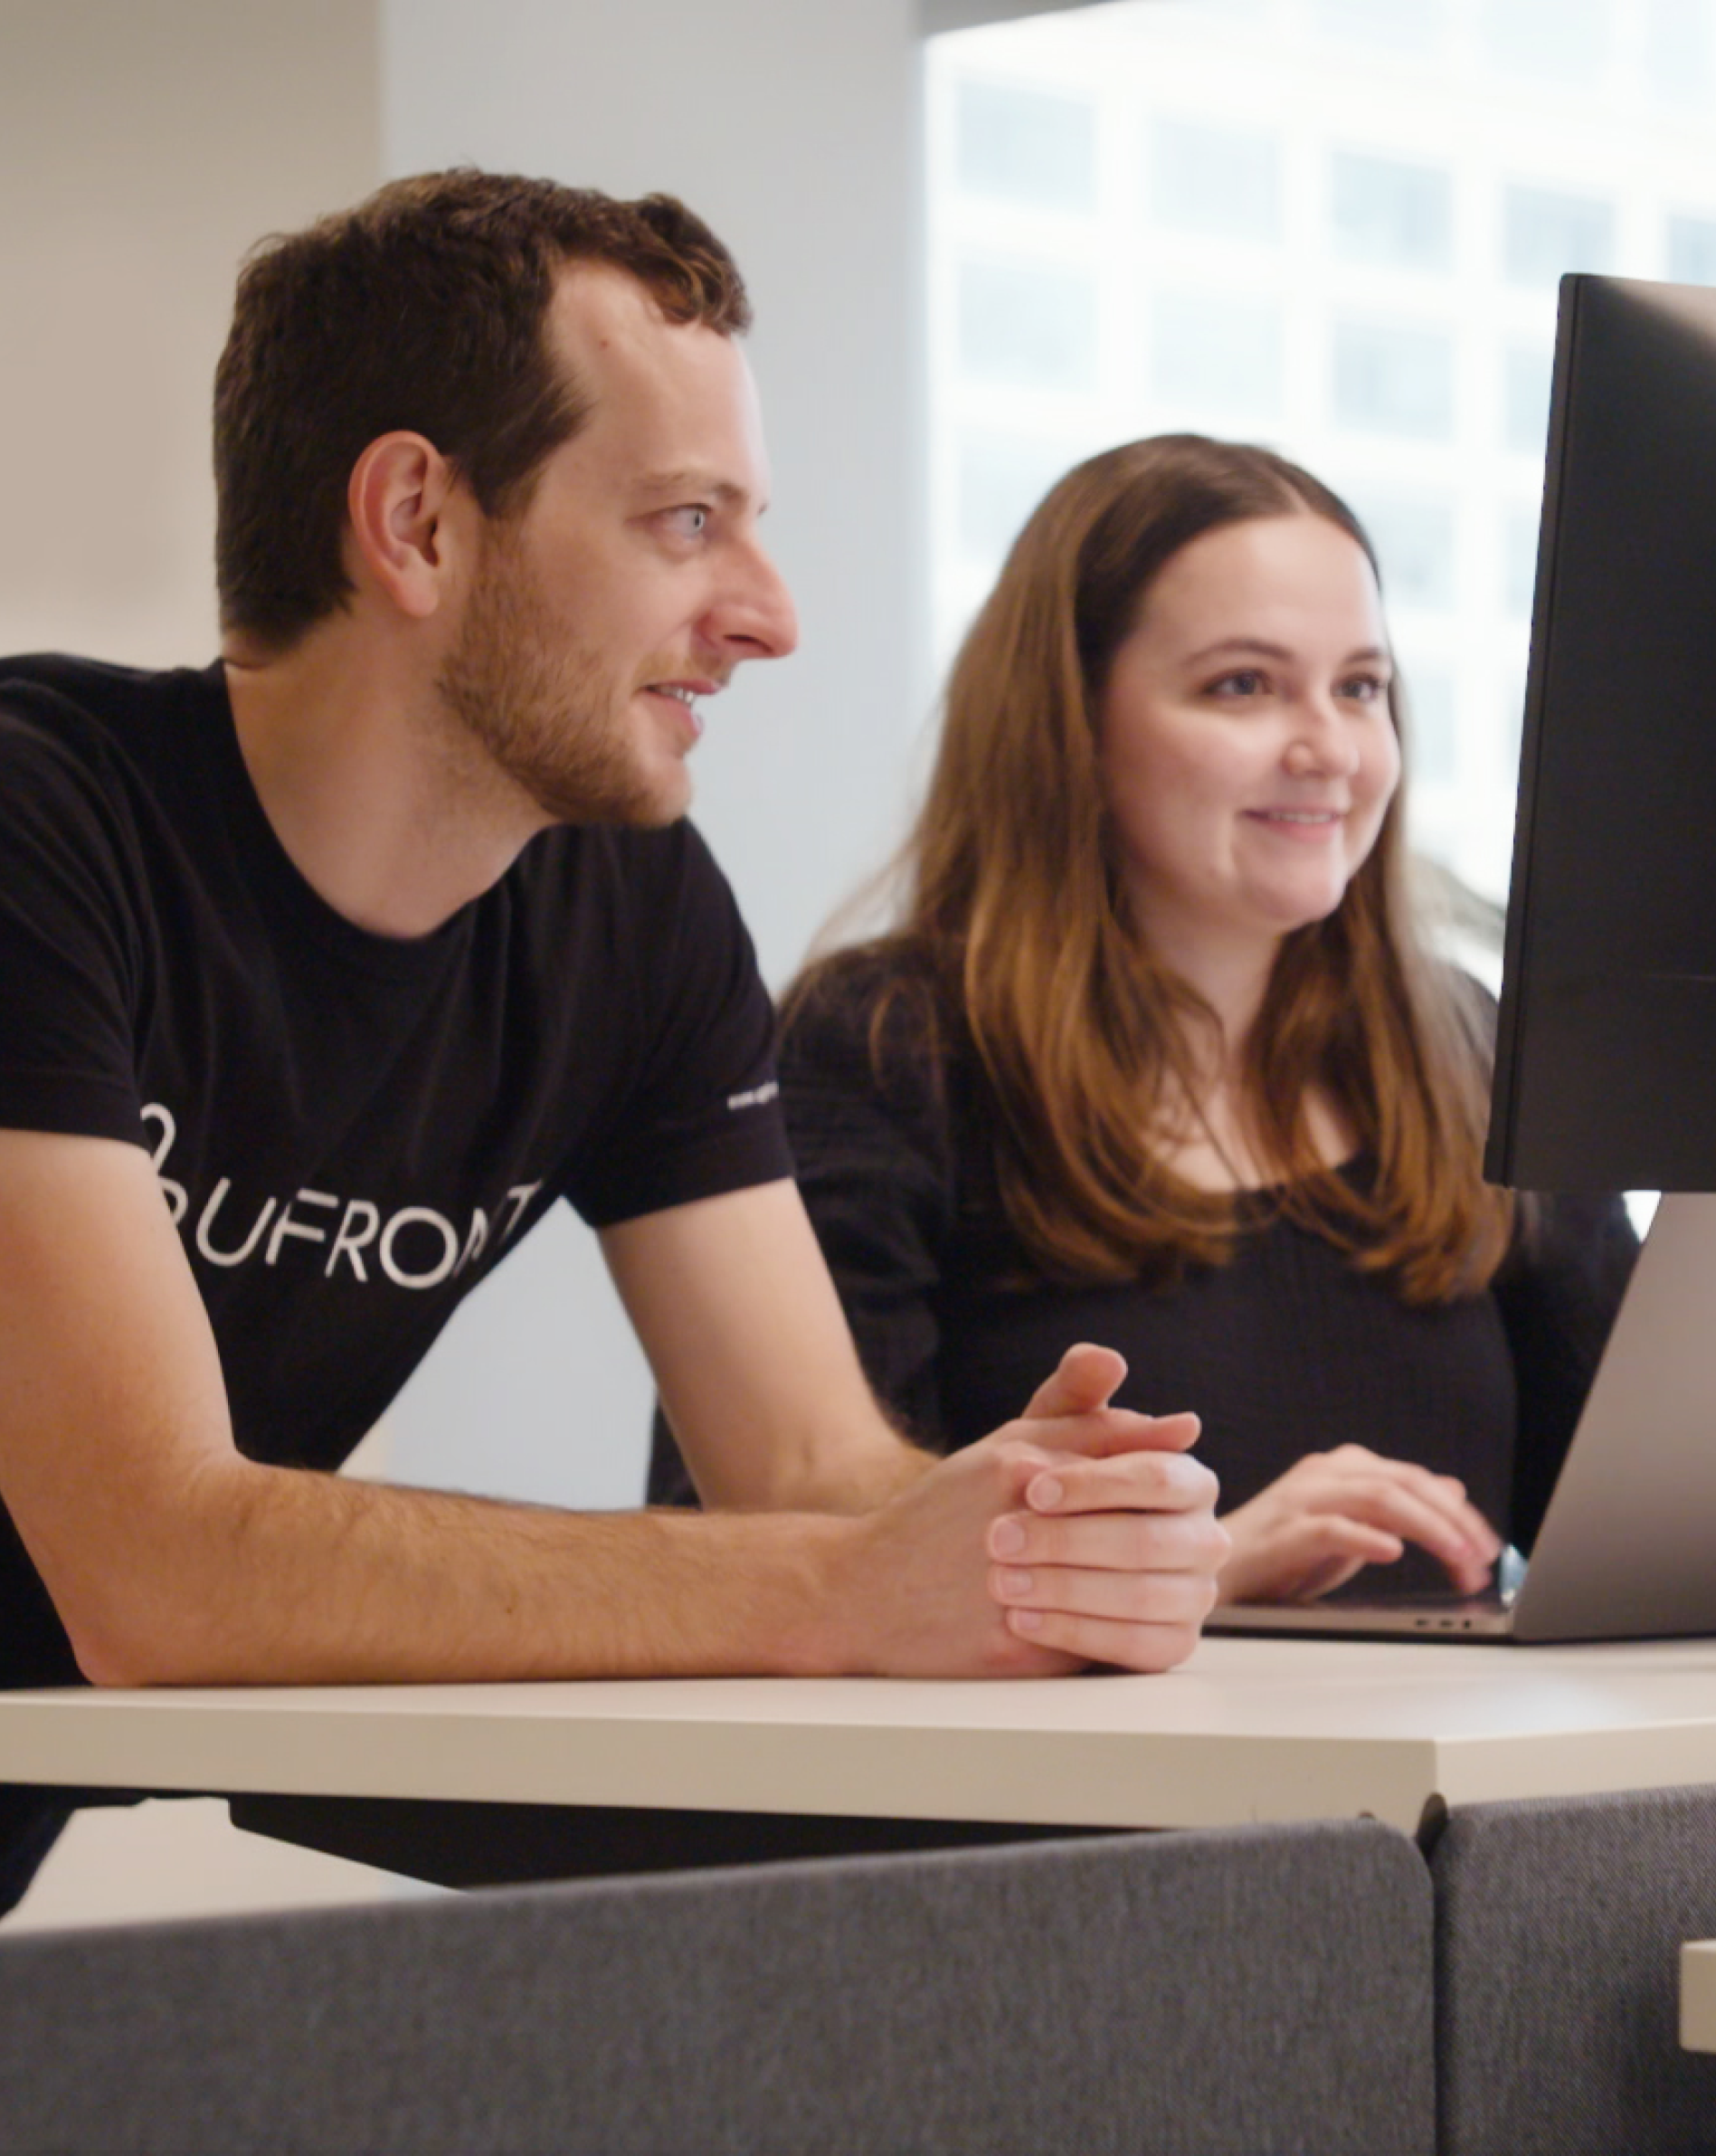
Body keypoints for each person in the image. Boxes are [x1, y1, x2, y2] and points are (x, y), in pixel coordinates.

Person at [0, 176, 1228, 1912]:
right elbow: (155, 1568)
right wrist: (840, 1591)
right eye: (684, 519)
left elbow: (811, 1468)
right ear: (417, 520)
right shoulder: (41, 829)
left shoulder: (628, 913)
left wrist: (1035, 1533)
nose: (768, 612)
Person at [653, 434, 1636, 1605]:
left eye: (1360, 687)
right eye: (1244, 684)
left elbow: (1636, 1520)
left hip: (1462, 1785)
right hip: (1076, 1791)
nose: (1328, 746)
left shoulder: (1467, 1048)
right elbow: (774, 1544)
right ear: (1072, 723)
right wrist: (1199, 1575)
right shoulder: (886, 1047)